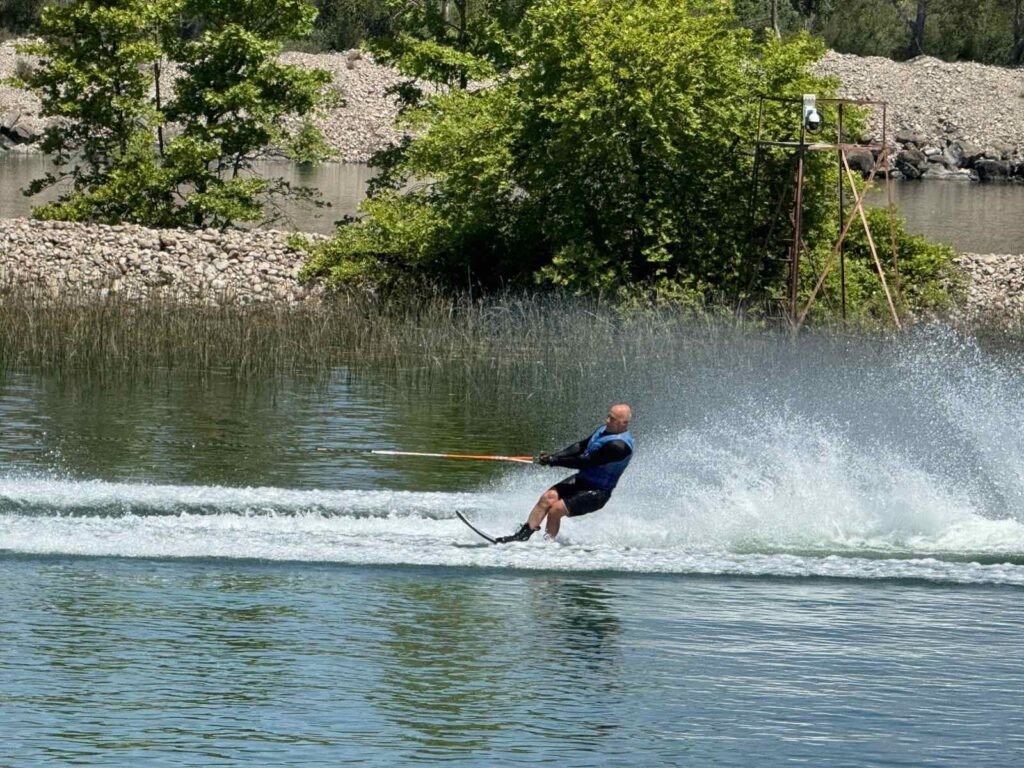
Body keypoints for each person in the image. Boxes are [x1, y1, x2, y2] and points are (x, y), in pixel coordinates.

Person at [495, 403, 634, 543]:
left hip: (597, 492)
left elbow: (584, 462)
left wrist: (554, 461)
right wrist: (554, 456)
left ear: (624, 423)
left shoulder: (619, 447)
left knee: (556, 509)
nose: (607, 420)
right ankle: (522, 536)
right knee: (548, 497)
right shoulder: (604, 430)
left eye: (612, 419)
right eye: (608, 416)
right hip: (581, 480)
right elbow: (580, 446)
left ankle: (547, 544)